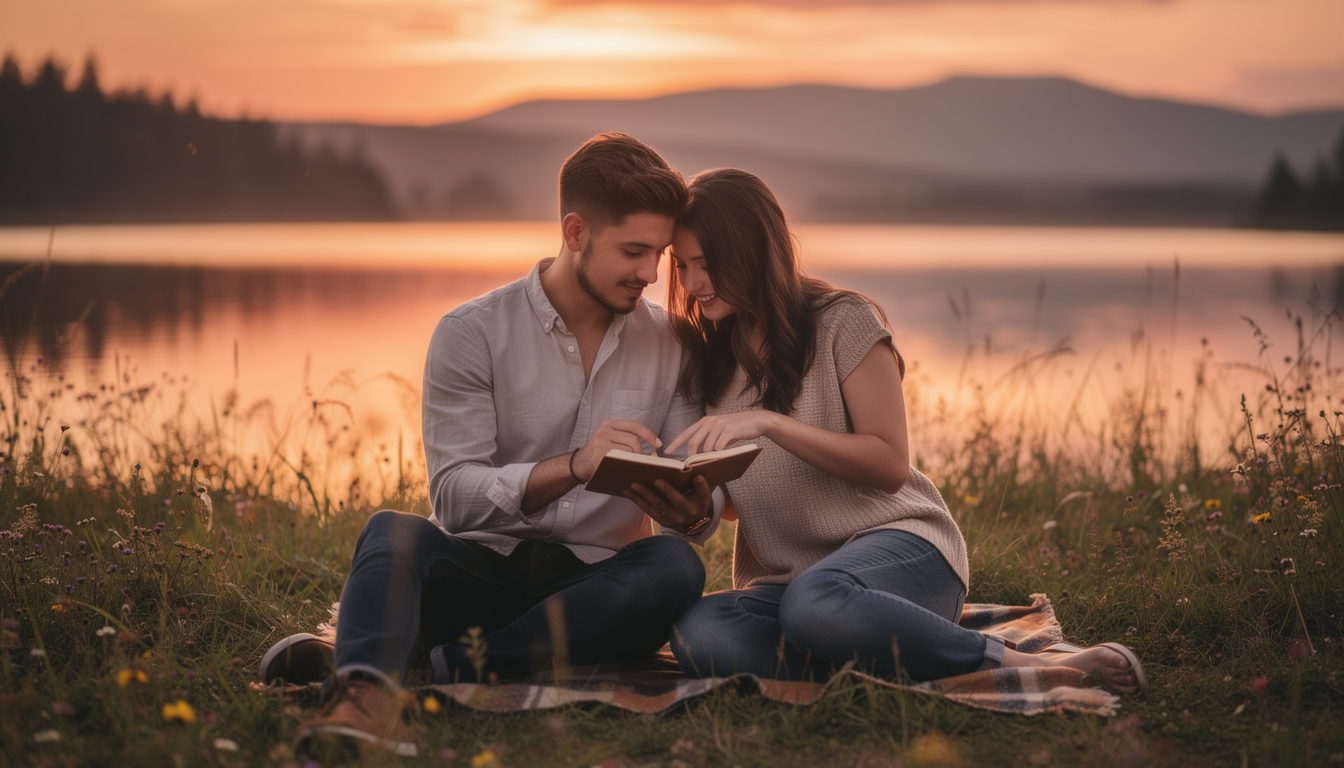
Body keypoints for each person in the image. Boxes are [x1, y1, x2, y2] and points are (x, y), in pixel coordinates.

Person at [262, 133, 722, 756]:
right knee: (392, 532)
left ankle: (440, 662)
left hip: (590, 593)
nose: (650, 273)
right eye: (634, 251)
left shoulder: (674, 343)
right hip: (476, 572)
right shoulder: (471, 332)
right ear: (576, 232)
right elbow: (453, 500)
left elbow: (695, 511)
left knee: (675, 567)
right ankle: (361, 702)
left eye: (659, 254)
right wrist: (576, 466)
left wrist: (692, 511)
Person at [628, 167, 1145, 693]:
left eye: (707, 264)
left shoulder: (843, 321)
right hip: (789, 585)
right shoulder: (711, 359)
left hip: (903, 553)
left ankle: (1017, 663)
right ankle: (890, 661)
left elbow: (889, 464)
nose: (692, 283)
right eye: (683, 265)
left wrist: (771, 423)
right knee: (699, 631)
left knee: (815, 602)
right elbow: (739, 502)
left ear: (752, 251)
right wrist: (694, 511)